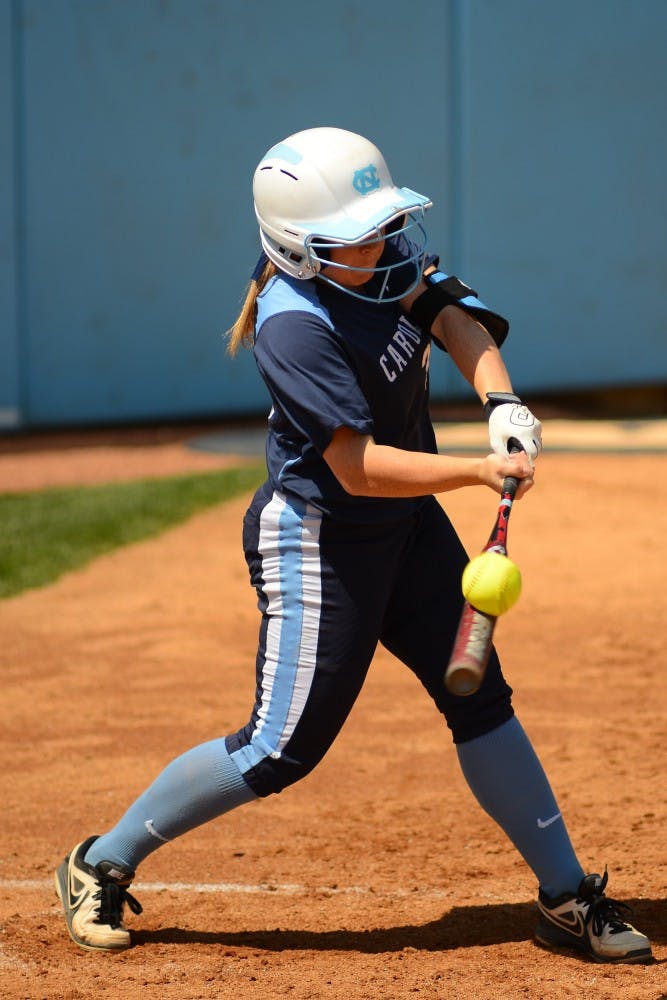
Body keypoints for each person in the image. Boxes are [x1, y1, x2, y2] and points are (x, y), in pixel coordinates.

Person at [55, 126, 651, 964]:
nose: (378, 243)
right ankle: (101, 860)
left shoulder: (382, 258)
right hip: (320, 542)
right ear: (300, 248)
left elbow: (454, 320)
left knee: (478, 696)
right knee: (279, 750)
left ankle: (563, 895)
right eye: (355, 234)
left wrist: (501, 404)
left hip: (403, 531)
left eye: (381, 224)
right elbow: (357, 466)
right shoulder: (291, 324)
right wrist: (477, 472)